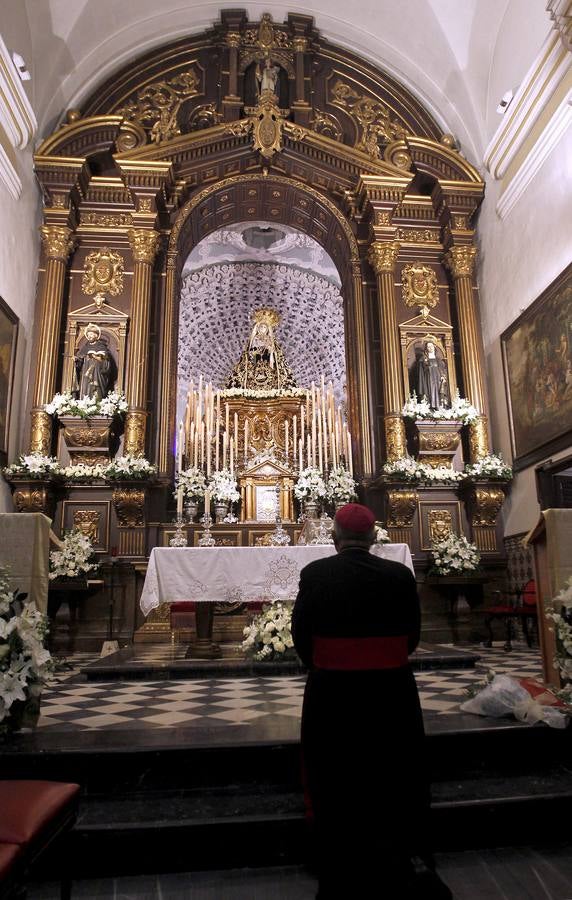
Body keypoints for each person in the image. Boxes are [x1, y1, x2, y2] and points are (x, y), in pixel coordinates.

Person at [292, 503, 452, 899]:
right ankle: (405, 852)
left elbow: (300, 635)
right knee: (395, 765)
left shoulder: (316, 573)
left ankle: (338, 856)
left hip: (333, 691)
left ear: (334, 537)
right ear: (373, 537)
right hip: (391, 690)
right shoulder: (399, 574)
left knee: (335, 769)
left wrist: (326, 662)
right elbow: (412, 636)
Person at [72, 323, 116, 401]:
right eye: (88, 335)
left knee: (97, 390)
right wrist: (77, 360)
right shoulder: (85, 347)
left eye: (91, 334)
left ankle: (97, 402)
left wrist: (95, 357)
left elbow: (106, 363)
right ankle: (84, 401)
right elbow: (80, 361)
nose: (89, 336)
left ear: (96, 335)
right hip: (86, 374)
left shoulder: (101, 347)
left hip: (98, 374)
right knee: (86, 388)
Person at [414, 340, 449, 409]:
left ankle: (440, 407)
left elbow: (442, 370)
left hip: (438, 380)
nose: (430, 348)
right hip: (429, 380)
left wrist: (443, 377)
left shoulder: (438, 359)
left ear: (434, 347)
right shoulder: (423, 359)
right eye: (428, 346)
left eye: (431, 346)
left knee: (440, 393)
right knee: (430, 392)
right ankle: (431, 408)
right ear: (426, 348)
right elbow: (422, 372)